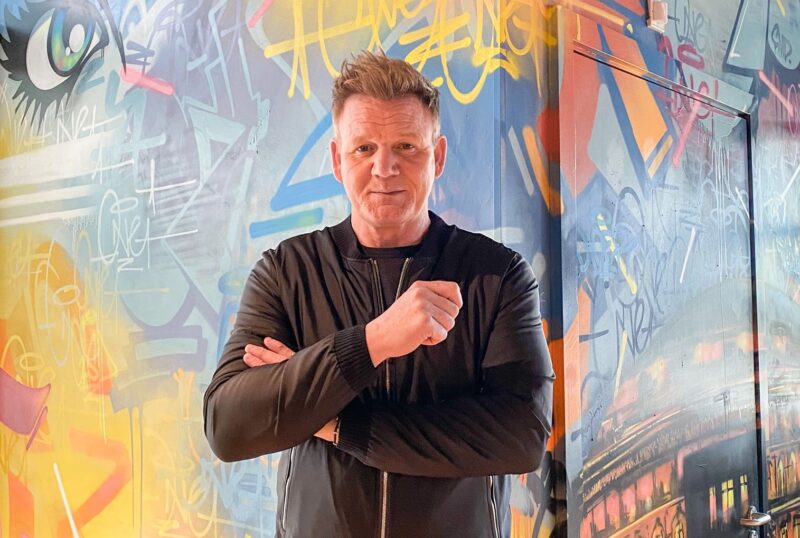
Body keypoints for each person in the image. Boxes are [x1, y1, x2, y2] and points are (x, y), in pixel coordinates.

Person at [203, 50, 554, 538]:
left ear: (438, 156)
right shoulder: (287, 272)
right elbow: (229, 425)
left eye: (406, 146)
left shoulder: (494, 276)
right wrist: (373, 342)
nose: (384, 167)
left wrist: (337, 423)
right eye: (364, 148)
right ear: (337, 160)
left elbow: (521, 437)